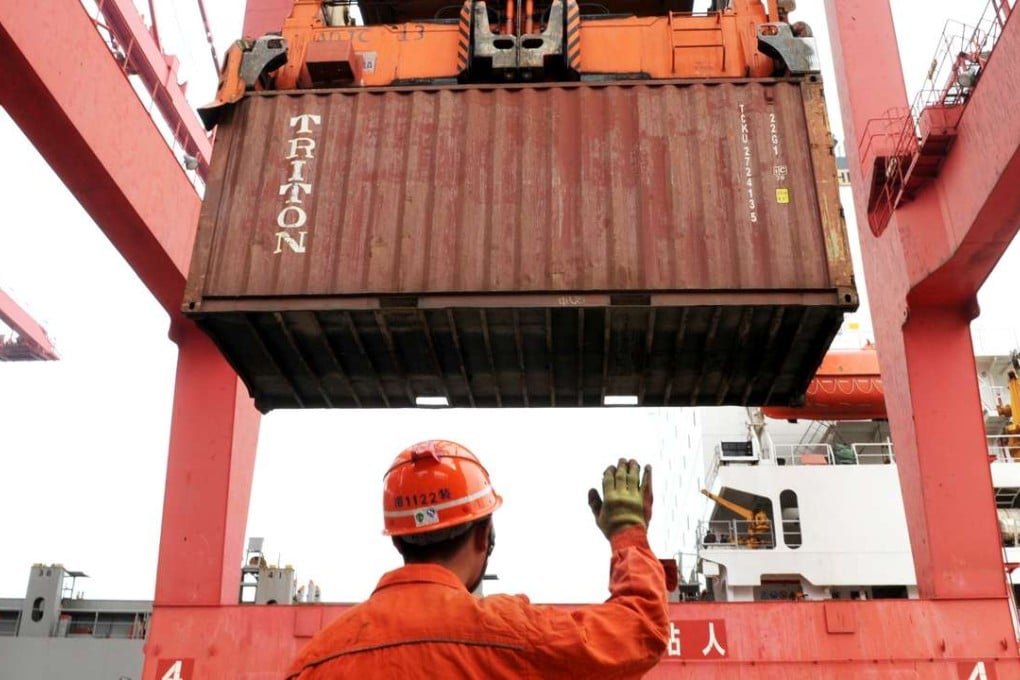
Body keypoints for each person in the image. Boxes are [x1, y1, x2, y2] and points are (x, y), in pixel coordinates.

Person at [286, 439, 670, 679]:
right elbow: (641, 630)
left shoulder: (314, 661)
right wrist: (628, 531)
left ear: (400, 540)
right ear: (484, 535)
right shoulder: (512, 633)